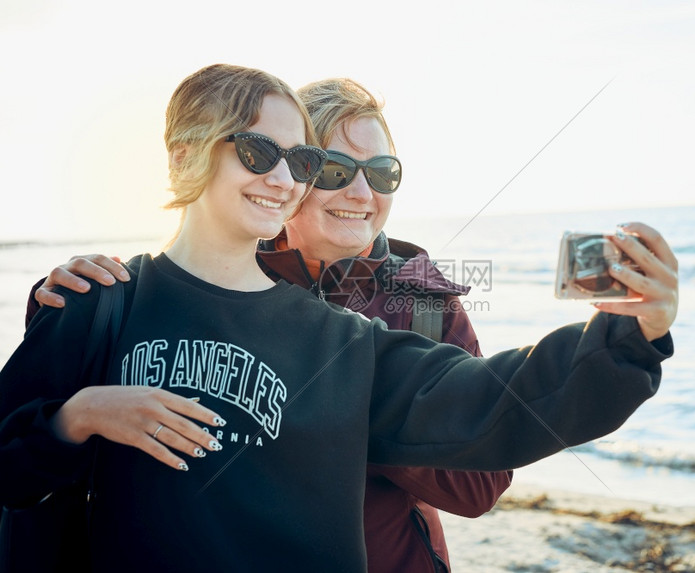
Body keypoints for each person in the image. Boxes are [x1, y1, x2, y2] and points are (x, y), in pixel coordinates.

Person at [0, 63, 678, 572]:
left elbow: (497, 405)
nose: (284, 178)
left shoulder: (360, 333)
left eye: (299, 159)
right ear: (187, 154)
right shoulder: (101, 301)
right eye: (261, 153)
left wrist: (626, 335)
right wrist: (75, 418)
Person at [29, 77, 512, 573]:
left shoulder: (425, 303)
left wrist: (350, 408)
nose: (363, 192)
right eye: (334, 169)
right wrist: (79, 306)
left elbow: (479, 487)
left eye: (382, 172)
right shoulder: (216, 286)